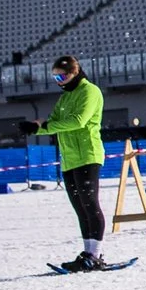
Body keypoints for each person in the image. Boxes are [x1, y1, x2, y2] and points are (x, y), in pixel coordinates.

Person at [33, 55, 110, 268]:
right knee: (80, 208)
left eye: (63, 75)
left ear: (75, 72)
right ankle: (88, 252)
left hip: (87, 154)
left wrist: (47, 127)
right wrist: (36, 127)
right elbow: (55, 121)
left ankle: (95, 254)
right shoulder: (65, 97)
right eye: (55, 77)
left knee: (90, 204)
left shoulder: (90, 91)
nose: (59, 80)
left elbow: (79, 121)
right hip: (69, 159)